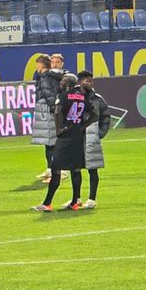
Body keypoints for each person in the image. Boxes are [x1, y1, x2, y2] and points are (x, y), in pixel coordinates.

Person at [33, 74, 88, 212]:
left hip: (65, 137)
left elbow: (57, 112)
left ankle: (47, 203)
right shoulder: (83, 96)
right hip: (78, 136)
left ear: (68, 83)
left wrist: (59, 129)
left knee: (56, 169)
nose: (60, 83)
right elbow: (92, 114)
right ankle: (75, 202)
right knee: (76, 170)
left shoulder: (65, 95)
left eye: (63, 81)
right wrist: (82, 126)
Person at [79, 71, 111, 209]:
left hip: (91, 137)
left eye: (91, 81)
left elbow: (106, 116)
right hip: (76, 138)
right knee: (75, 169)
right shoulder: (73, 96)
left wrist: (100, 133)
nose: (90, 83)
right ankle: (76, 199)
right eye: (87, 81)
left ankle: (92, 199)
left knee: (93, 169)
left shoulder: (97, 99)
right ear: (80, 81)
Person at [31, 53, 61, 183]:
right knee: (48, 143)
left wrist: (53, 109)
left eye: (37, 64)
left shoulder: (45, 78)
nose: (36, 67)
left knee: (51, 143)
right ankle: (50, 169)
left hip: (48, 112)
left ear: (42, 64)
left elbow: (49, 95)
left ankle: (56, 172)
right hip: (47, 111)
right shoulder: (46, 76)